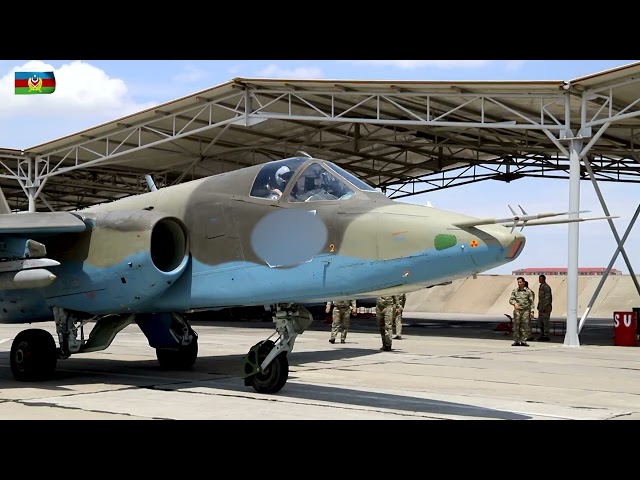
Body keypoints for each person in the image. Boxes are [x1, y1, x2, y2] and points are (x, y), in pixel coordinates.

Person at [509, 276, 535, 346]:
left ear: (523, 282)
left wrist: (532, 311)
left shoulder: (528, 292)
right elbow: (511, 299)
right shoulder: (515, 291)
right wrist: (514, 303)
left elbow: (531, 302)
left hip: (525, 311)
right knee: (516, 325)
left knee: (525, 325)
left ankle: (523, 340)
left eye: (520, 282)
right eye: (518, 282)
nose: (519, 283)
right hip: (517, 311)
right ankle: (516, 341)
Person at [536, 274, 553, 341]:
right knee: (540, 322)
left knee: (545, 322)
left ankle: (546, 335)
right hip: (541, 307)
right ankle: (542, 335)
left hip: (546, 308)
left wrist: (544, 307)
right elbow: (541, 298)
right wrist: (539, 305)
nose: (539, 280)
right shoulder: (541, 286)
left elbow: (548, 298)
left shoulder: (546, 287)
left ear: (544, 279)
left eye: (540, 279)